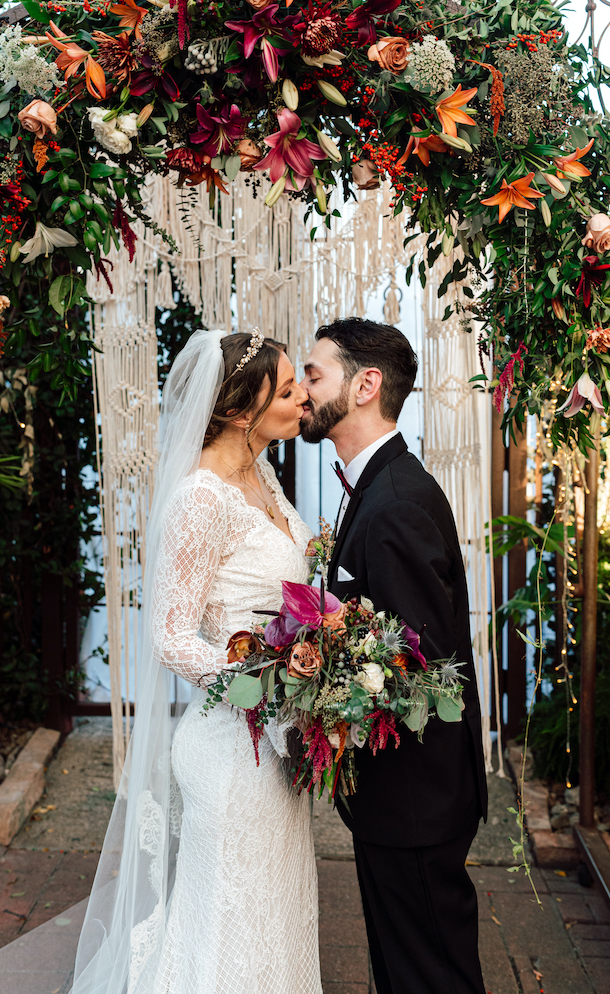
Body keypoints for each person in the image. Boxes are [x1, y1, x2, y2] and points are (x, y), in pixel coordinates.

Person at [71, 328, 322, 994]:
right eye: (289, 387)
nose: (304, 399)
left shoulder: (260, 476)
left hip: (277, 744)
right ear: (242, 410)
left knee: (271, 916)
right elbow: (172, 635)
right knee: (230, 924)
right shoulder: (199, 498)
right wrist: (261, 684)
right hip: (230, 747)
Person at [299, 317, 488, 994]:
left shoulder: (397, 502)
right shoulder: (382, 487)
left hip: (416, 801)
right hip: (405, 799)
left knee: (431, 978)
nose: (302, 388)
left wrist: (316, 667)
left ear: (365, 385)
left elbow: (422, 664)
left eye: (314, 373)